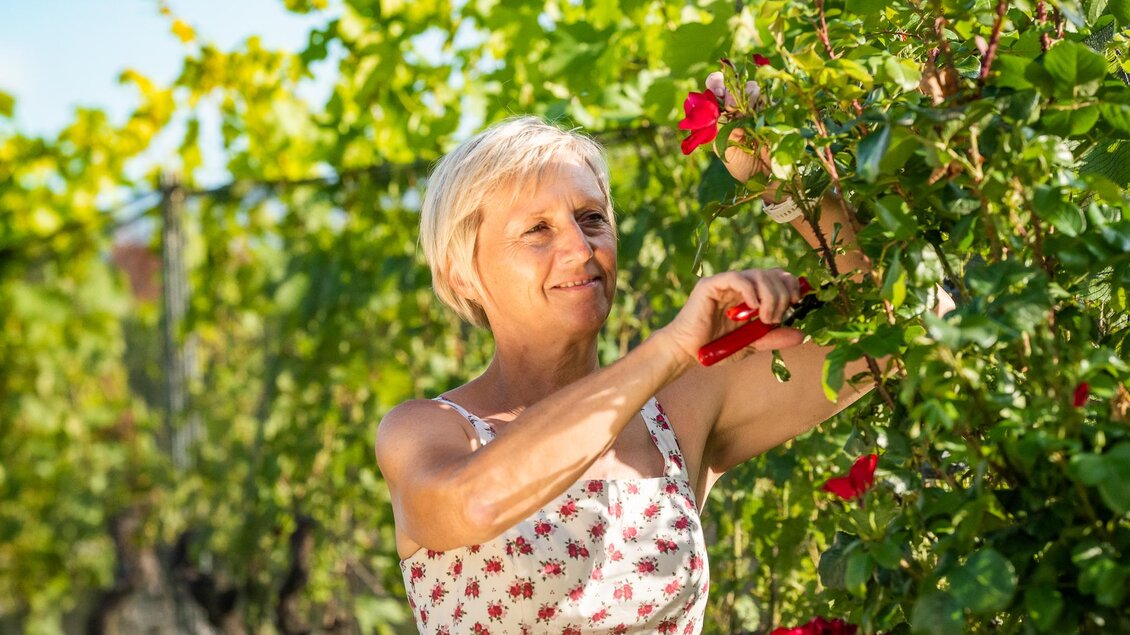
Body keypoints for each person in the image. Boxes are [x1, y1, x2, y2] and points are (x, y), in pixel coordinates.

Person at [376, 116, 949, 634]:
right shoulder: (429, 431)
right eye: (537, 231)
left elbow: (916, 324)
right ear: (461, 275)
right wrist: (669, 348)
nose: (579, 248)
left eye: (591, 218)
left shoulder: (678, 412)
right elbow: (476, 505)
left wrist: (781, 179)